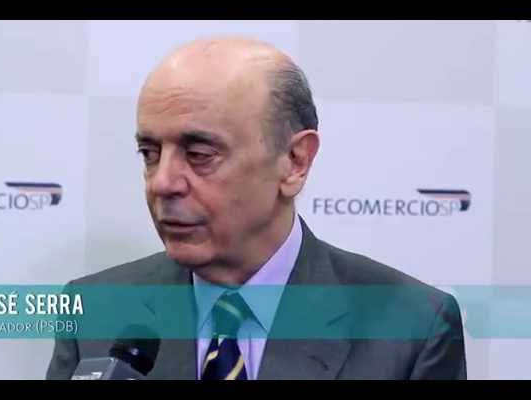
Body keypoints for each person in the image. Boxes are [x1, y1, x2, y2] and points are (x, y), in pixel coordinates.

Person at [46, 36, 467, 380]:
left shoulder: (412, 328)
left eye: (199, 154)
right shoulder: (94, 311)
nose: (162, 182)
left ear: (295, 162)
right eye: (150, 153)